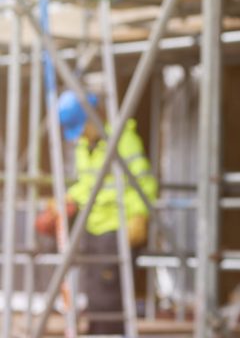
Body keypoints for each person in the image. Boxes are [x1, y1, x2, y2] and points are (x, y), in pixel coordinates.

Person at [57, 89, 158, 334]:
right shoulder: (85, 146)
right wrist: (67, 199)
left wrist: (139, 215)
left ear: (94, 116)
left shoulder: (122, 140)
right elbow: (90, 184)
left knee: (109, 295)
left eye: (82, 127)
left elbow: (143, 183)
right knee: (93, 291)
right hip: (92, 227)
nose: (80, 134)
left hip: (117, 227)